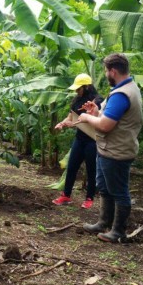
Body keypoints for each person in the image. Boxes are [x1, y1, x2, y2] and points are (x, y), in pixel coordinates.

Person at [76, 53, 143, 243]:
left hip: (116, 152)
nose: (106, 74)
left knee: (119, 192)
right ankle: (103, 222)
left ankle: (118, 231)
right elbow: (110, 118)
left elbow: (105, 125)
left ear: (113, 71)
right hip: (109, 149)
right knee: (105, 188)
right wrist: (96, 112)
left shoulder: (122, 94)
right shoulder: (127, 89)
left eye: (106, 70)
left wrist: (87, 118)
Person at [52, 73, 103, 209]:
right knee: (72, 166)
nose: (76, 91)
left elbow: (87, 120)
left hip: (92, 140)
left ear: (86, 87)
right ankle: (66, 195)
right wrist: (62, 124)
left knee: (91, 169)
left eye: (79, 88)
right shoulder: (76, 101)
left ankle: (89, 198)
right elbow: (71, 117)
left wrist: (72, 124)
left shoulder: (96, 101)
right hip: (79, 139)